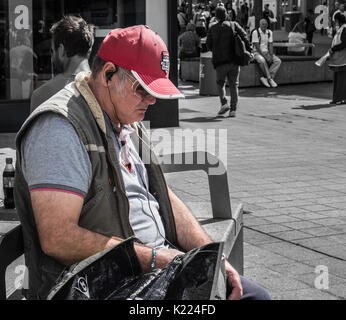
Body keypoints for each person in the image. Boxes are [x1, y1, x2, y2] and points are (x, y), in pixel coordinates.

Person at [14, 25, 270, 301]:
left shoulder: (124, 119)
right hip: (102, 287)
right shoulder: (60, 127)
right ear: (108, 73)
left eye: (155, 92)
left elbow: (164, 197)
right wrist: (156, 258)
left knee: (254, 297)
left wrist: (211, 257)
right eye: (142, 89)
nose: (151, 101)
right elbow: (58, 237)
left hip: (151, 272)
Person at [30, 16, 94, 112]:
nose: (52, 57)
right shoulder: (106, 89)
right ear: (89, 50)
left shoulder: (41, 95)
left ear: (61, 50)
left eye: (52, 51)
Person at [206, 6, 253, 118]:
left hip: (220, 62)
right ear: (226, 14)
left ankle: (224, 103)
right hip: (234, 61)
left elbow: (208, 45)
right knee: (234, 85)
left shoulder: (212, 28)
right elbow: (245, 37)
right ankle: (233, 110)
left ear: (216, 17)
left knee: (220, 83)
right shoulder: (234, 25)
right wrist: (249, 50)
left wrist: (216, 49)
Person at [252, 19, 282, 88]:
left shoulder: (269, 32)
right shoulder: (255, 32)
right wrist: (265, 57)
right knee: (262, 60)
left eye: (265, 24)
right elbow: (257, 47)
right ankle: (270, 79)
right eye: (263, 24)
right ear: (260, 25)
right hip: (257, 52)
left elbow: (271, 45)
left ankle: (266, 78)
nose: (264, 25)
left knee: (278, 61)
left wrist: (271, 55)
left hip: (267, 52)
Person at [328, 13, 346, 104]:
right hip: (339, 59)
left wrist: (333, 48)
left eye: (335, 21)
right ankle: (338, 98)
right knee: (339, 80)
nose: (335, 23)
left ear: (338, 20)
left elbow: (344, 43)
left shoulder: (344, 28)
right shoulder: (341, 29)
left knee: (341, 80)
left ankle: (340, 98)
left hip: (342, 60)